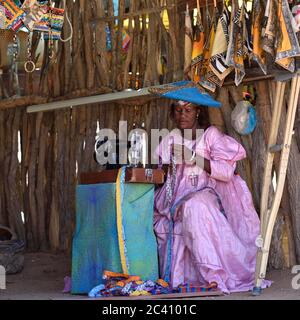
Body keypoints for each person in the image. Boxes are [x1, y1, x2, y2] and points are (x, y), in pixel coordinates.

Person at [153, 100, 270, 294]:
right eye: (179, 110)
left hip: (208, 192)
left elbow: (225, 172)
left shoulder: (210, 135)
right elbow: (161, 175)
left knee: (195, 207)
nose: (183, 115)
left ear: (198, 112)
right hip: (175, 197)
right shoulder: (170, 139)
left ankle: (214, 276)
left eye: (188, 110)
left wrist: (193, 157)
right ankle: (188, 279)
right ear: (173, 113)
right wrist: (165, 166)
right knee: (164, 217)